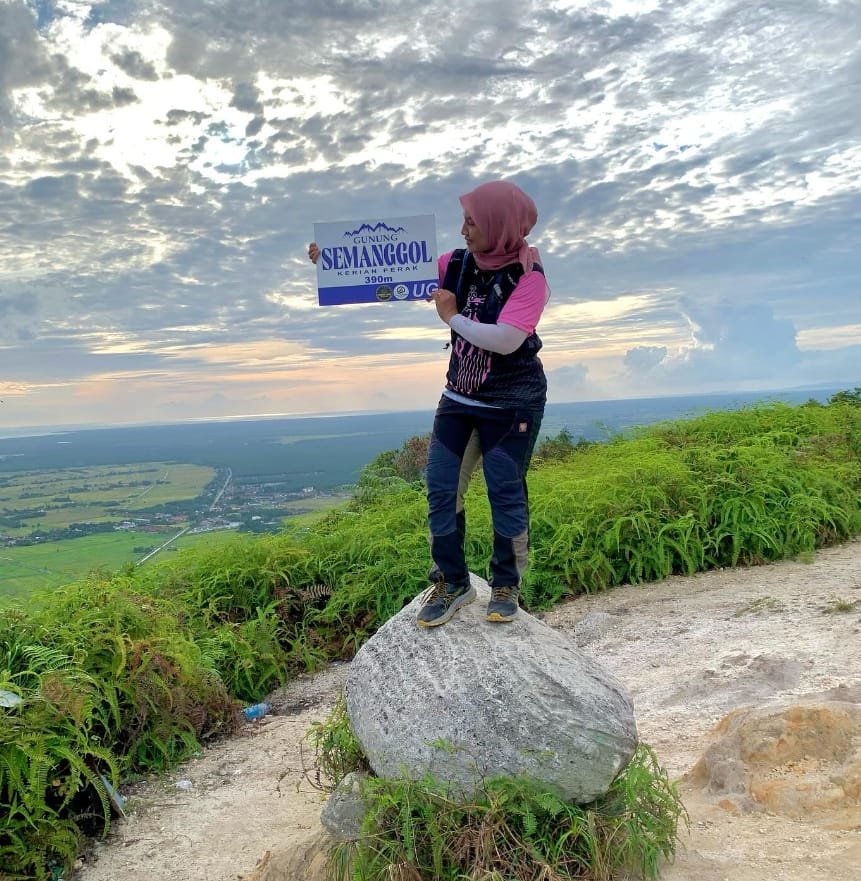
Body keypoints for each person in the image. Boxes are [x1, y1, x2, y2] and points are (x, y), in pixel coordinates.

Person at [308, 180, 549, 628]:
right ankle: (453, 582)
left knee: (505, 490)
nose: (463, 230)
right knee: (440, 488)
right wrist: (333, 261)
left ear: (499, 225)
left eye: (472, 222)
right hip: (459, 397)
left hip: (512, 404)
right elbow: (392, 272)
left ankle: (506, 584)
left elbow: (507, 339)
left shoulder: (528, 280)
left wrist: (452, 316)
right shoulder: (456, 264)